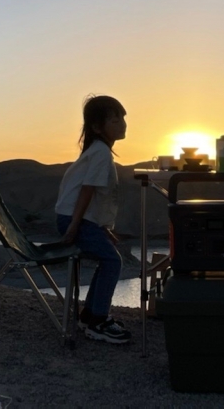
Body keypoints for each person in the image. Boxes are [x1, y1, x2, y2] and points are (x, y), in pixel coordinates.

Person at [54, 94, 130, 344]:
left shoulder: (98, 151)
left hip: (78, 218)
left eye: (123, 118)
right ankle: (98, 320)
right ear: (97, 127)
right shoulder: (100, 153)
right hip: (73, 219)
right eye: (115, 120)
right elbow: (87, 191)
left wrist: (103, 228)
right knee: (112, 261)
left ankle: (89, 315)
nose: (122, 124)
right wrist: (74, 228)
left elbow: (93, 198)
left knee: (109, 259)